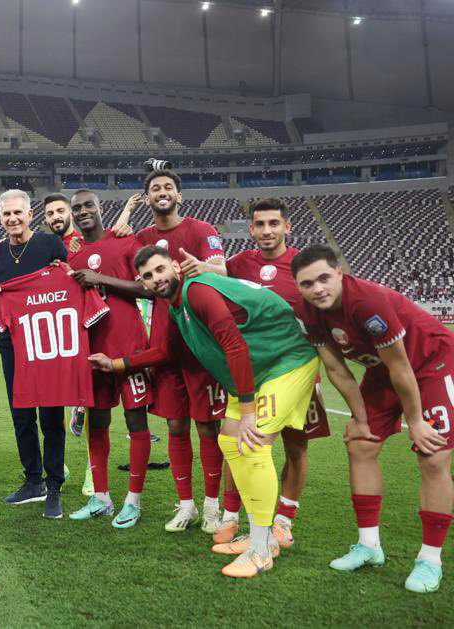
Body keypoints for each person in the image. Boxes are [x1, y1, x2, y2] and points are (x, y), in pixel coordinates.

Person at [90, 245, 319, 578]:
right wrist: (116, 364)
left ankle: (260, 549)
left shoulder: (197, 291)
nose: (157, 279)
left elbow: (234, 345)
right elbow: (166, 351)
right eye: (148, 277)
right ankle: (263, 536)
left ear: (174, 267)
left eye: (160, 270)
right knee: (230, 443)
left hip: (286, 361)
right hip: (262, 368)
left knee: (252, 444)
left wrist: (248, 408)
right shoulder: (175, 306)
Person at [292, 244, 454, 593]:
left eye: (323, 278)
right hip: (384, 371)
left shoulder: (367, 301)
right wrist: (360, 417)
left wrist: (416, 422)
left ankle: (430, 560)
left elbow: (402, 367)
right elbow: (336, 367)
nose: (318, 289)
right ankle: (369, 546)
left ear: (339, 273)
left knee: (433, 454)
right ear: (299, 287)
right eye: (307, 284)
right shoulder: (306, 313)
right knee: (360, 444)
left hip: (431, 362)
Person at [219, 198, 329, 547]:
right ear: (251, 229)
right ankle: (232, 515)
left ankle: (283, 520)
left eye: (273, 223)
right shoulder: (237, 264)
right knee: (239, 440)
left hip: (294, 370)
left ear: (287, 227)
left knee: (296, 447)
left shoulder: (301, 266)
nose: (267, 230)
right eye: (260, 224)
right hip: (251, 370)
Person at [127, 170, 228, 534]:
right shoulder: (142, 238)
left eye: (168, 187)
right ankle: (186, 505)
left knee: (207, 426)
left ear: (179, 196)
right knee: (174, 425)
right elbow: (123, 268)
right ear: (148, 198)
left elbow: (223, 269)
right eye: (155, 189)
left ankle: (212, 507)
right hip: (165, 348)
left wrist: (201, 268)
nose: (162, 192)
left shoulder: (202, 231)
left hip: (201, 346)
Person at [64, 189, 154, 528]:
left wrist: (100, 278)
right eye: (78, 209)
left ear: (101, 209)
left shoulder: (126, 243)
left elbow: (147, 288)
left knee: (136, 423)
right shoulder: (74, 256)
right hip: (93, 354)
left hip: (130, 349)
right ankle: (100, 497)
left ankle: (133, 500)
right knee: (97, 423)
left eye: (89, 205)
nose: (83, 212)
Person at [0, 188, 68, 519]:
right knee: (21, 415)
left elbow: (66, 286)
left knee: (50, 416)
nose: (13, 218)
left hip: (46, 344)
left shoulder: (50, 246)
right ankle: (33, 481)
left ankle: (54, 485)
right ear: (0, 217)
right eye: (6, 214)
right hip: (12, 343)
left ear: (30, 214)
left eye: (18, 212)